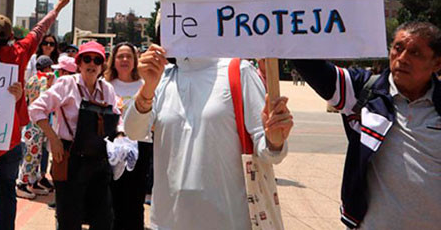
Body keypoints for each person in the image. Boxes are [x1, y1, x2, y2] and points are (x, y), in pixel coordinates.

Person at [290, 21, 441, 229]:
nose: (402, 58)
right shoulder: (365, 91)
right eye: (398, 48)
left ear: (437, 63)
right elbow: (308, 65)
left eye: (415, 53)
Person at [124, 45, 294, 230]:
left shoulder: (239, 71)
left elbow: (269, 151)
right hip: (168, 221)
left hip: (229, 220)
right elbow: (134, 132)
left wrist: (275, 139)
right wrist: (148, 88)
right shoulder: (163, 78)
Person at [0, 0, 70, 230]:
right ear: (12, 35)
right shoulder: (20, 52)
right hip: (10, 135)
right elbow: (39, 29)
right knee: (7, 191)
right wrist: (57, 8)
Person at [29, 42, 120, 230]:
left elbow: (117, 118)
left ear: (102, 65)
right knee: (69, 219)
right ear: (78, 63)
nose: (92, 63)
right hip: (70, 159)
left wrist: (121, 138)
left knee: (103, 219)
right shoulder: (66, 83)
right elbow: (36, 109)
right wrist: (53, 139)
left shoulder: (107, 89)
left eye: (97, 60)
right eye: (87, 58)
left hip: (99, 160)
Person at [104, 42, 150, 230]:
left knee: (135, 199)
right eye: (120, 56)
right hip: (113, 149)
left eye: (129, 56)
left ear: (135, 60)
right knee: (112, 198)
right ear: (113, 60)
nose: (124, 60)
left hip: (142, 145)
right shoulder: (105, 86)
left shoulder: (145, 85)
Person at [16, 55, 56, 199]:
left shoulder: (32, 78)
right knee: (31, 155)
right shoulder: (44, 79)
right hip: (38, 123)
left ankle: (32, 181)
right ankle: (22, 183)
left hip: (30, 121)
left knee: (34, 153)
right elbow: (45, 98)